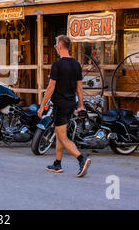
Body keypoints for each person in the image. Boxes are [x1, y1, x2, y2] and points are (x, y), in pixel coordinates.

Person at [37, 35, 91, 178]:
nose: (55, 47)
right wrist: (80, 105)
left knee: (63, 137)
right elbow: (79, 88)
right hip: (71, 103)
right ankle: (57, 163)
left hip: (60, 104)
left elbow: (50, 87)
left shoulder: (57, 64)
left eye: (56, 45)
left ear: (60, 46)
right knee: (60, 134)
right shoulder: (76, 64)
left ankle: (81, 159)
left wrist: (42, 106)